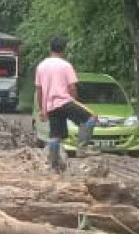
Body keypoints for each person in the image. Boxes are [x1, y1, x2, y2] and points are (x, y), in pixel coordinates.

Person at [34, 36, 97, 173]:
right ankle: (82, 148)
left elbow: (39, 90)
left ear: (49, 48)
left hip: (51, 106)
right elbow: (72, 87)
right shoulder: (66, 65)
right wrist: (74, 100)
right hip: (65, 101)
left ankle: (53, 163)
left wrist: (42, 109)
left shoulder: (41, 66)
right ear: (64, 50)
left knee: (55, 135)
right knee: (91, 118)